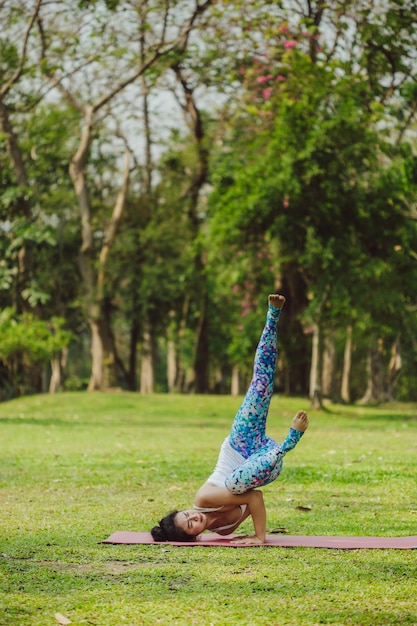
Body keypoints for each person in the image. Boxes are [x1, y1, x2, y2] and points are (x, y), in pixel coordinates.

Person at [151, 294, 308, 545]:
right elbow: (255, 497)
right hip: (265, 462)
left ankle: (272, 316)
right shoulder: (223, 531)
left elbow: (252, 499)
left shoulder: (203, 499)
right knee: (237, 485)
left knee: (260, 384)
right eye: (190, 524)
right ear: (194, 536)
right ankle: (289, 442)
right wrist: (257, 534)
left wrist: (258, 537)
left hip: (242, 443)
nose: (194, 516)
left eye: (186, 514)